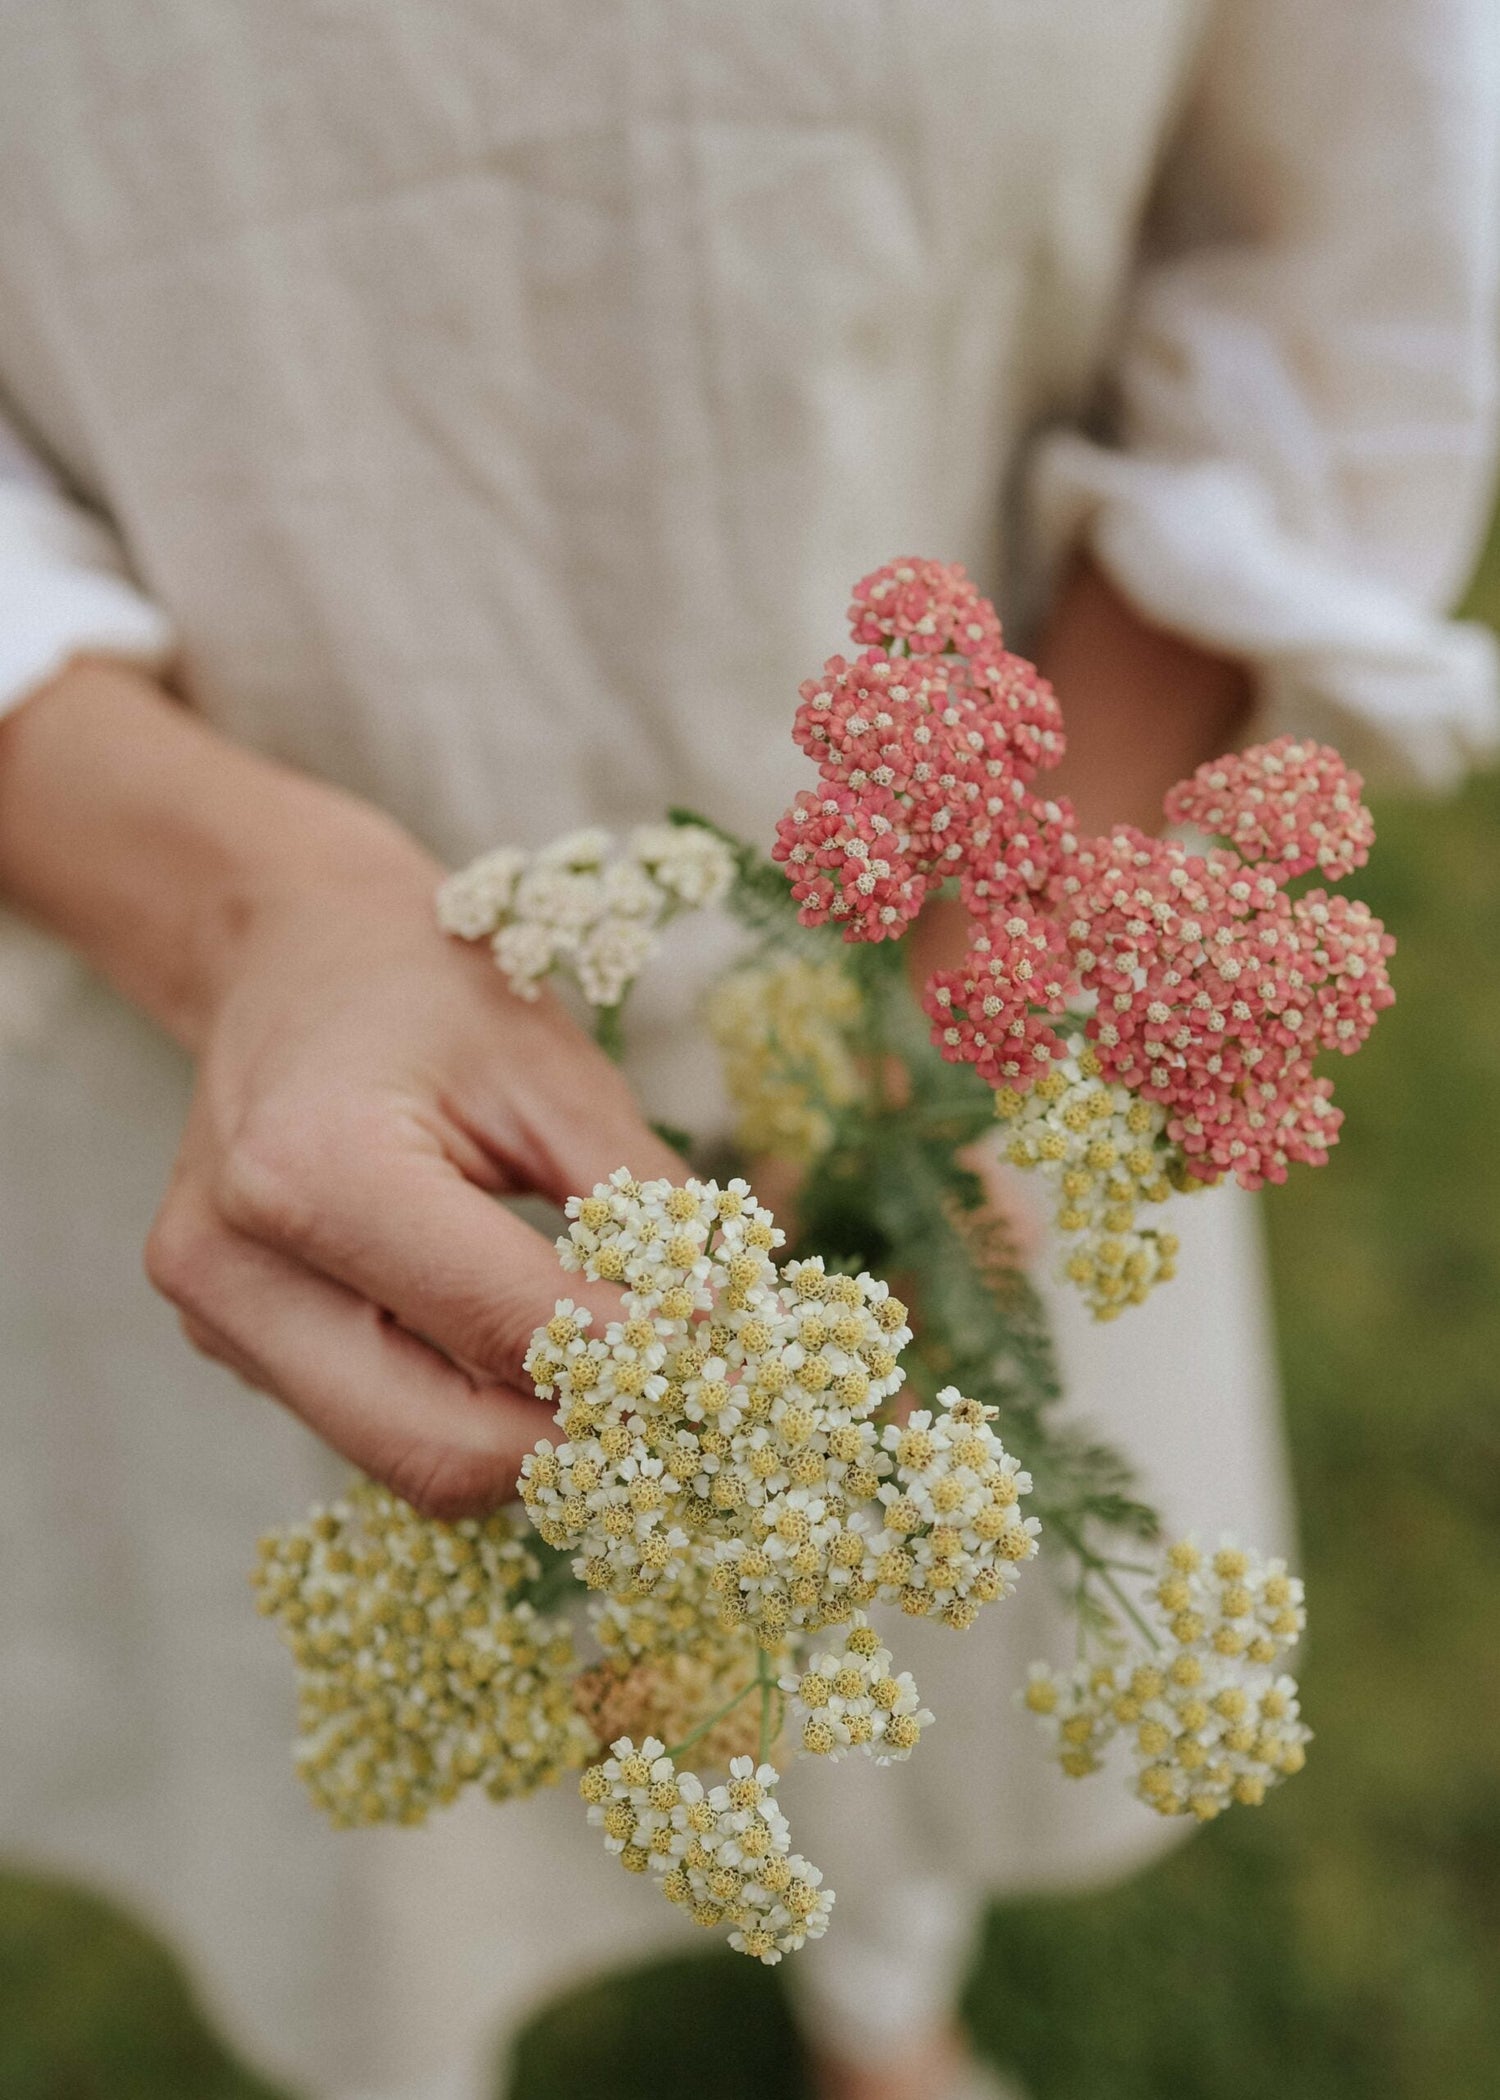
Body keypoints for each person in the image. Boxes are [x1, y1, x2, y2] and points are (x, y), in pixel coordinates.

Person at [0, 6, 1495, 2099]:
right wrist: (237, 907)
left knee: (914, 1594)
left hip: (969, 957)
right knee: (383, 1778)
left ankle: (880, 2002)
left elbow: (1341, 258)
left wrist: (996, 961)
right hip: (213, 1013)